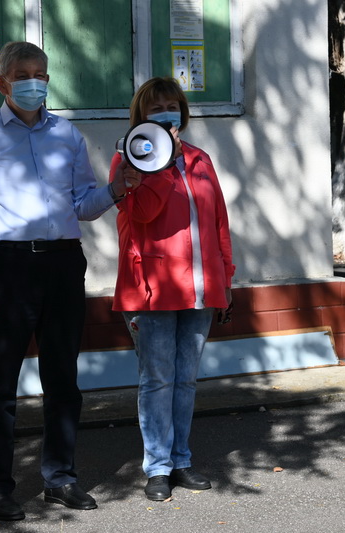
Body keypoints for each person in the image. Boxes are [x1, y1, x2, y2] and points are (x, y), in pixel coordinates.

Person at [0, 41, 138, 521]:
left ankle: (61, 478)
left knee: (63, 379)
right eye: (23, 75)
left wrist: (117, 189)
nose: (34, 82)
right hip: (7, 268)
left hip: (62, 264)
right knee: (0, 386)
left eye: (41, 74)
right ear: (2, 83)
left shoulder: (67, 135)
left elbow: (82, 205)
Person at [109, 77, 235, 501]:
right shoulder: (128, 158)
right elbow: (142, 212)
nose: (166, 113)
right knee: (158, 380)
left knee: (186, 381)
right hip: (153, 290)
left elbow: (218, 221)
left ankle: (181, 460)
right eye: (156, 107)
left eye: (172, 105)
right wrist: (163, 164)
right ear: (140, 116)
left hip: (201, 288)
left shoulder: (199, 159)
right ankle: (158, 467)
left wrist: (226, 278)